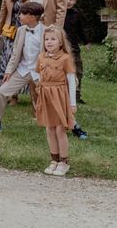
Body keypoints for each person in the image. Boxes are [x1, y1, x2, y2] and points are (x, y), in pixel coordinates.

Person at [0, 2, 44, 134]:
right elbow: (15, 53)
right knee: (1, 92)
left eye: (23, 14)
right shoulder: (21, 30)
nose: (19, 16)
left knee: (53, 97)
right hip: (23, 70)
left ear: (32, 17)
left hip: (40, 72)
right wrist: (9, 71)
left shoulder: (46, 31)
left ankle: (70, 124)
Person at [36, 25, 77, 176]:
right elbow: (38, 74)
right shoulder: (41, 57)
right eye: (46, 39)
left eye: (53, 39)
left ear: (60, 42)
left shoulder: (65, 59)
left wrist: (72, 103)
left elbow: (71, 81)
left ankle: (64, 161)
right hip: (46, 97)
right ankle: (54, 159)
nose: (49, 42)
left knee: (60, 129)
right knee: (49, 128)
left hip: (60, 97)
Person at [0, 0, 31, 102]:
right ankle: (11, 94)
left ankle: (25, 90)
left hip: (26, 29)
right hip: (11, 29)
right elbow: (3, 9)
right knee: (9, 59)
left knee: (23, 59)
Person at [64, 0, 90, 105]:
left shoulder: (77, 14)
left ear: (75, 1)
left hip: (74, 48)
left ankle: (77, 96)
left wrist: (86, 41)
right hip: (61, 48)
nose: (68, 1)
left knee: (77, 71)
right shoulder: (59, 13)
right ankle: (63, 95)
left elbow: (81, 29)